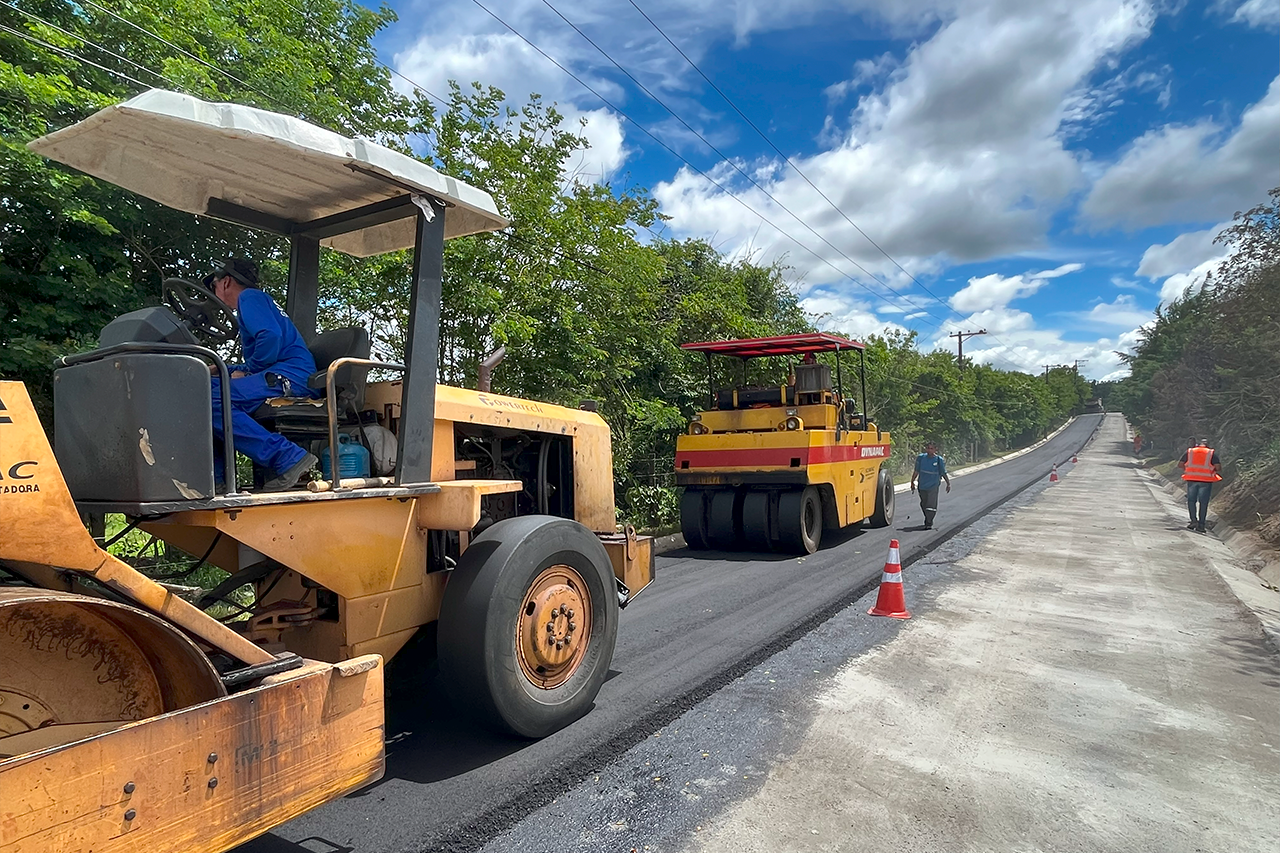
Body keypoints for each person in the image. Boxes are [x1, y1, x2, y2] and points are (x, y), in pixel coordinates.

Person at [205, 258, 318, 491]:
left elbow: (270, 337)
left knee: (208, 398)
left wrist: (251, 370)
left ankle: (287, 457)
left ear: (226, 282)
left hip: (290, 377)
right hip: (281, 373)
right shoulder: (257, 302)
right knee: (207, 391)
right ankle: (216, 479)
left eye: (214, 285)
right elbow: (268, 349)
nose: (214, 292)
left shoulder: (249, 297)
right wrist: (225, 368)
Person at [1178, 438, 1222, 533]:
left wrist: (1188, 470)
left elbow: (1180, 464)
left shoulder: (1190, 452)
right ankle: (1201, 525)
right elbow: (1218, 467)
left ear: (1198, 444)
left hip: (1192, 479)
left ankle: (1193, 521)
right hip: (1205, 481)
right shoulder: (1211, 453)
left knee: (1191, 500)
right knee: (1203, 503)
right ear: (1208, 445)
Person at [910, 441, 951, 530]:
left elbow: (943, 472)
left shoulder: (938, 460)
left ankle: (929, 522)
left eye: (932, 448)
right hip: (922, 485)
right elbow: (916, 470)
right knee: (923, 503)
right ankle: (927, 517)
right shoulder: (921, 458)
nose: (929, 450)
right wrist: (912, 482)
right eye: (928, 448)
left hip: (933, 485)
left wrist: (948, 483)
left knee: (931, 504)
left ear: (935, 449)